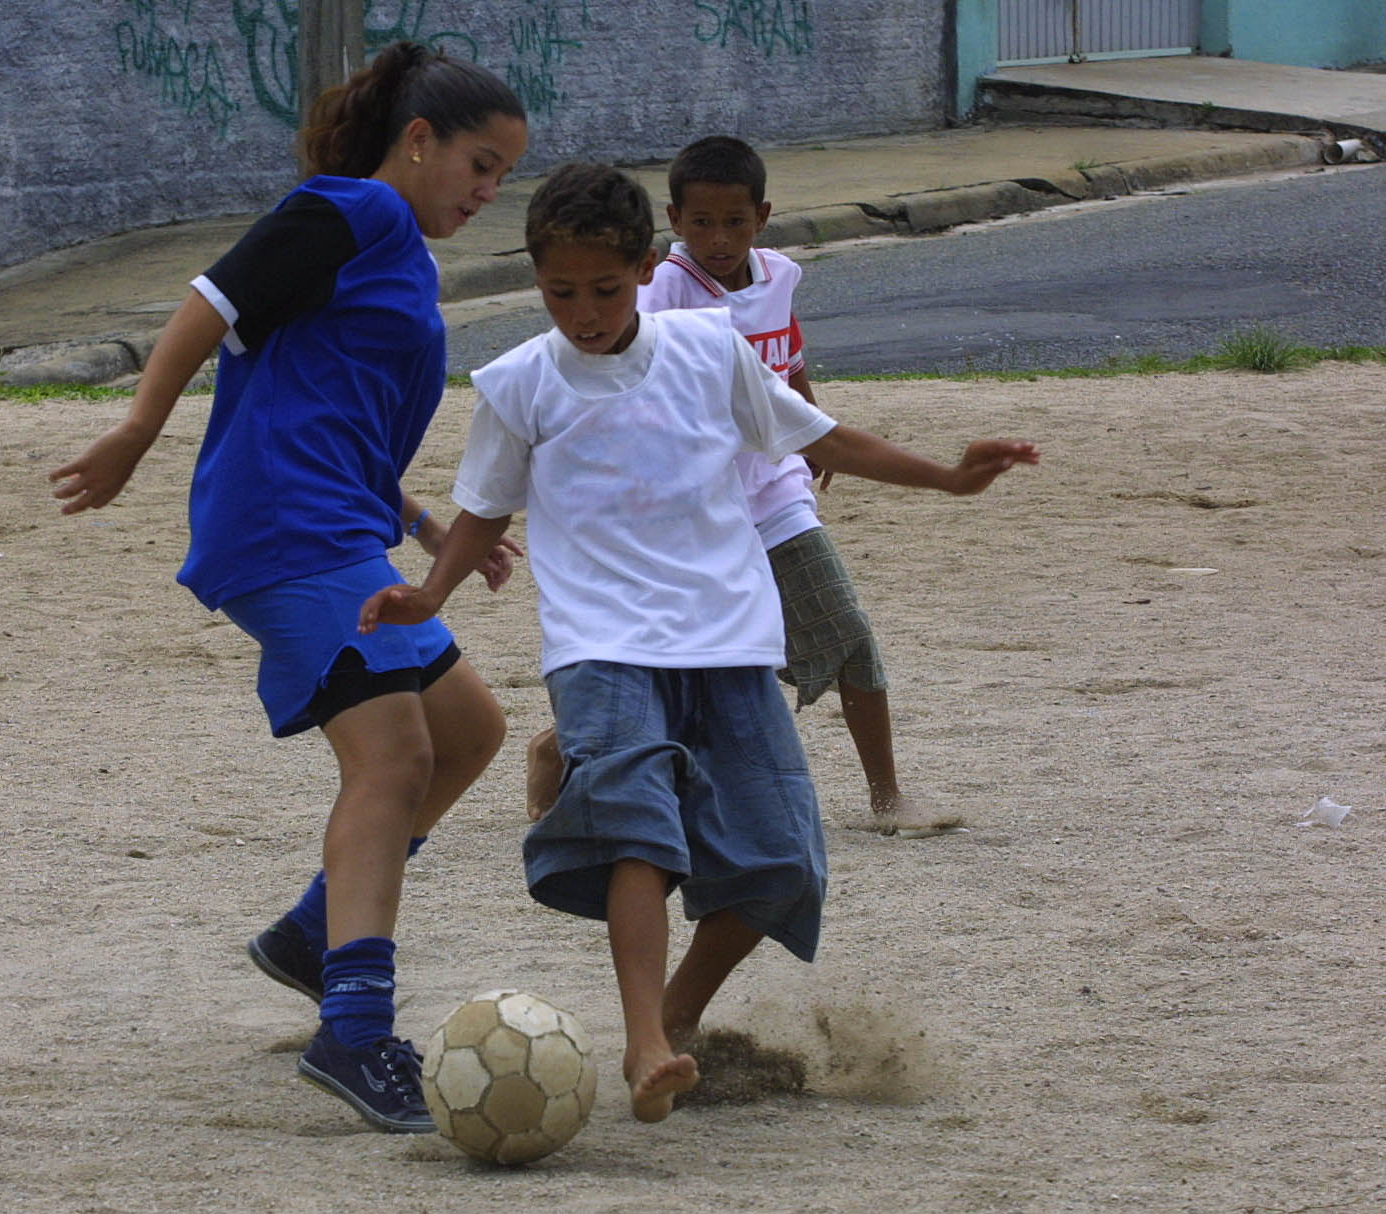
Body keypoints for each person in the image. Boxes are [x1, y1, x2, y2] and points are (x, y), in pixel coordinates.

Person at [357, 163, 1037, 1121]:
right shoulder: (519, 384)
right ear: (535, 279)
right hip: (600, 643)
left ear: (645, 267)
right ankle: (642, 1042)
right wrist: (431, 594)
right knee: (637, 821)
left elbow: (824, 441)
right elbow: (481, 509)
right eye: (560, 293)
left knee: (781, 862)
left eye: (603, 288)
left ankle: (676, 1018)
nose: (584, 312)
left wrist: (949, 479)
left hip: (727, 638)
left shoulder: (707, 351)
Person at [49, 42, 528, 1135]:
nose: (488, 192)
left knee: (468, 731)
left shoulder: (402, 252)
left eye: (502, 174)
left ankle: (313, 934)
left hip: (338, 523)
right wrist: (136, 427)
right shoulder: (352, 209)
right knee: (394, 754)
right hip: (280, 525)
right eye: (479, 164)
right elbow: (211, 300)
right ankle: (353, 1029)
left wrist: (422, 522)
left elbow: (336, 412)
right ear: (419, 141)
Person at [526, 134, 956, 839]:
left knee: (848, 632)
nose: (718, 239)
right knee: (669, 658)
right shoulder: (660, 289)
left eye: (734, 222)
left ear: (763, 215)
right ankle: (554, 745)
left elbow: (787, 354)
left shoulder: (780, 274)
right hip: (693, 506)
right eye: (701, 223)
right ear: (672, 221)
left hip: (776, 494)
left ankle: (887, 795)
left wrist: (811, 429)